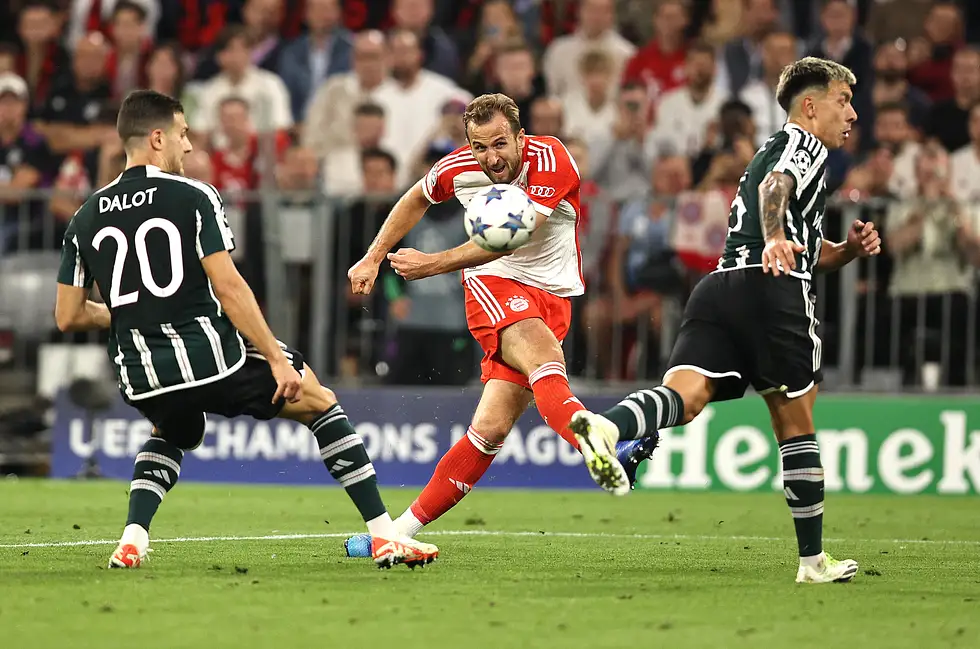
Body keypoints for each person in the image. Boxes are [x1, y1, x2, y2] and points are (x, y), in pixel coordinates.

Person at [53, 89, 437, 571]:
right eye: (182, 134)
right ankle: (384, 535)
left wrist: (138, 313)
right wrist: (276, 359)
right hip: (210, 356)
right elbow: (229, 287)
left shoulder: (84, 217)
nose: (188, 145)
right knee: (319, 401)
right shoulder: (194, 196)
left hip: (142, 373)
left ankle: (133, 538)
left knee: (171, 429)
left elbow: (68, 316)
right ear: (157, 138)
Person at [574, 57, 882, 584]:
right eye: (843, 101)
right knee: (795, 421)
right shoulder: (802, 144)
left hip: (719, 289)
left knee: (686, 397)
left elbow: (806, 247)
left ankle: (607, 427)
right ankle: (812, 562)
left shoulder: (768, 150)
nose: (852, 114)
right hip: (772, 290)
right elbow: (774, 193)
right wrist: (777, 237)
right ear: (810, 106)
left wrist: (847, 250)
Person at [344, 92, 630, 554]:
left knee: (491, 428)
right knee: (545, 359)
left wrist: (432, 263)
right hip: (493, 283)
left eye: (500, 144)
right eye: (480, 147)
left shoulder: (551, 159)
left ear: (520, 137)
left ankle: (395, 534)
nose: (491, 158)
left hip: (553, 294)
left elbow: (511, 236)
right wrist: (373, 257)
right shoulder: (459, 167)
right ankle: (593, 437)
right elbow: (416, 197)